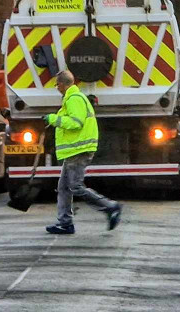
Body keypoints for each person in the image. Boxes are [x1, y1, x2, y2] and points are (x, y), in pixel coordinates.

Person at [44, 70, 122, 235]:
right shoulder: (72, 99)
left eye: (57, 84)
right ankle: (65, 223)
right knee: (64, 187)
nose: (56, 87)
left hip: (78, 150)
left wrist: (54, 119)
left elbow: (76, 123)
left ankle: (110, 207)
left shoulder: (74, 99)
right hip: (75, 150)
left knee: (75, 187)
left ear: (63, 84)